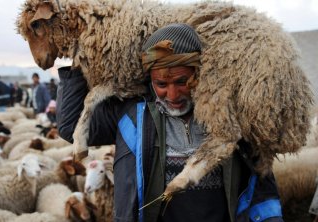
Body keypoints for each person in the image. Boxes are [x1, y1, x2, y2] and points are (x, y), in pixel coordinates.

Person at [57, 24, 283, 222]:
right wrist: (77, 64)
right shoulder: (131, 114)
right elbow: (69, 127)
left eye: (182, 81)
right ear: (150, 79)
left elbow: (260, 178)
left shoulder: (229, 115)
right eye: (162, 84)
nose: (173, 95)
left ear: (200, 72)